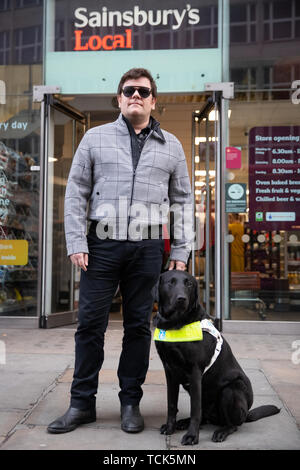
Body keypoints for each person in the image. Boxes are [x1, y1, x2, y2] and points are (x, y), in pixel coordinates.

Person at [47, 68, 192, 435]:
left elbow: (183, 202)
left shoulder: (171, 145)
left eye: (143, 91)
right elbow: (76, 192)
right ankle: (82, 404)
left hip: (146, 248)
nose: (136, 95)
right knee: (90, 325)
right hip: (101, 245)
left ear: (153, 99)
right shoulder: (95, 139)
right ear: (119, 98)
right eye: (129, 90)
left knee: (138, 328)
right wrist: (77, 241)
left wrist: (181, 248)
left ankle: (131, 403)